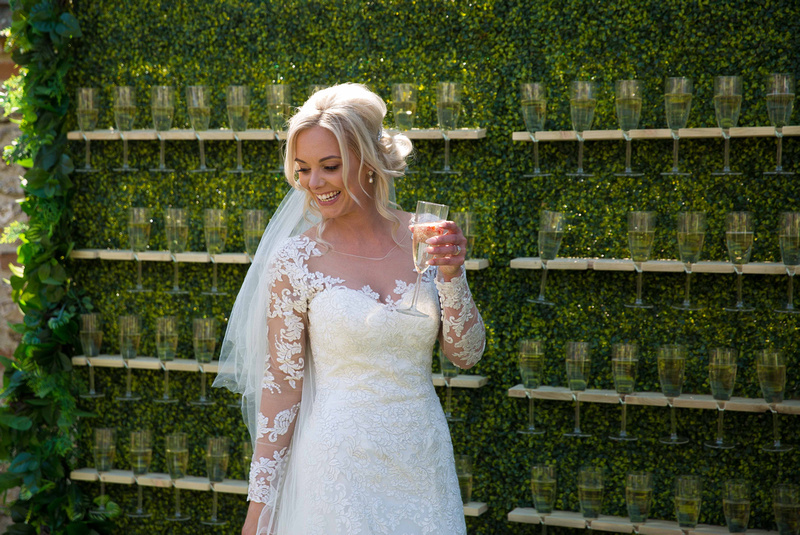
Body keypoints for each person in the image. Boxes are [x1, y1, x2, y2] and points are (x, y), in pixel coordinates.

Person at [214, 82, 485, 535]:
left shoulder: (426, 236)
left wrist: (454, 275)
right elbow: (281, 390)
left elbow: (467, 353)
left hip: (422, 463)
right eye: (302, 169)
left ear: (369, 161)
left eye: (330, 166)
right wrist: (259, 510)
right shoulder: (296, 260)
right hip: (336, 470)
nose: (313, 183)